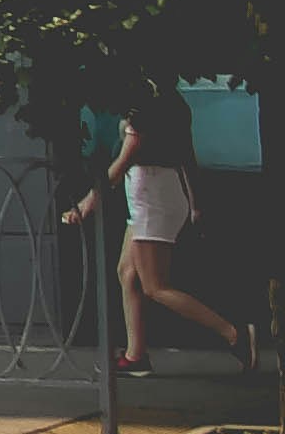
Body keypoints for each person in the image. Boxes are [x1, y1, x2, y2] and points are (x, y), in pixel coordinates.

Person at [66, 95, 252, 376]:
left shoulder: (141, 104)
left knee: (155, 286)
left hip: (151, 198)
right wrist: (194, 201)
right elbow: (186, 154)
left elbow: (123, 161)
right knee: (127, 273)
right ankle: (135, 355)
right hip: (156, 194)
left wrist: (86, 204)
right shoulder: (173, 102)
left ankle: (234, 334)